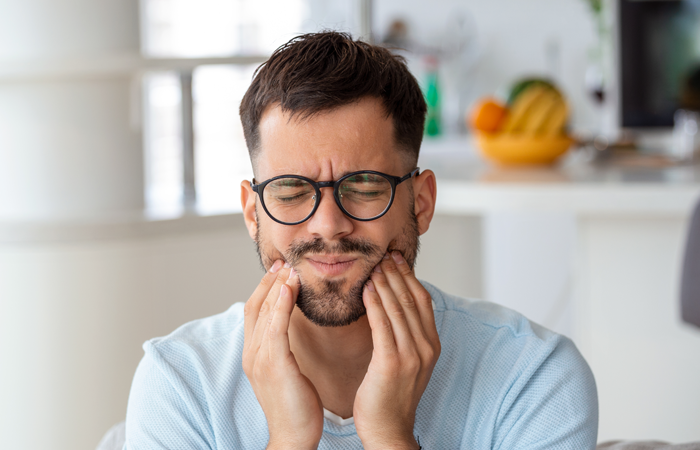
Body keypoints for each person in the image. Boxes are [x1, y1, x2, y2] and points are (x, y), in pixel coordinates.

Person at [124, 31, 598, 449]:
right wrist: (289, 441)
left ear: (422, 202)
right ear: (254, 214)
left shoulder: (533, 376)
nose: (328, 225)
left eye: (365, 188)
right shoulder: (179, 382)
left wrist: (390, 437)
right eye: (291, 192)